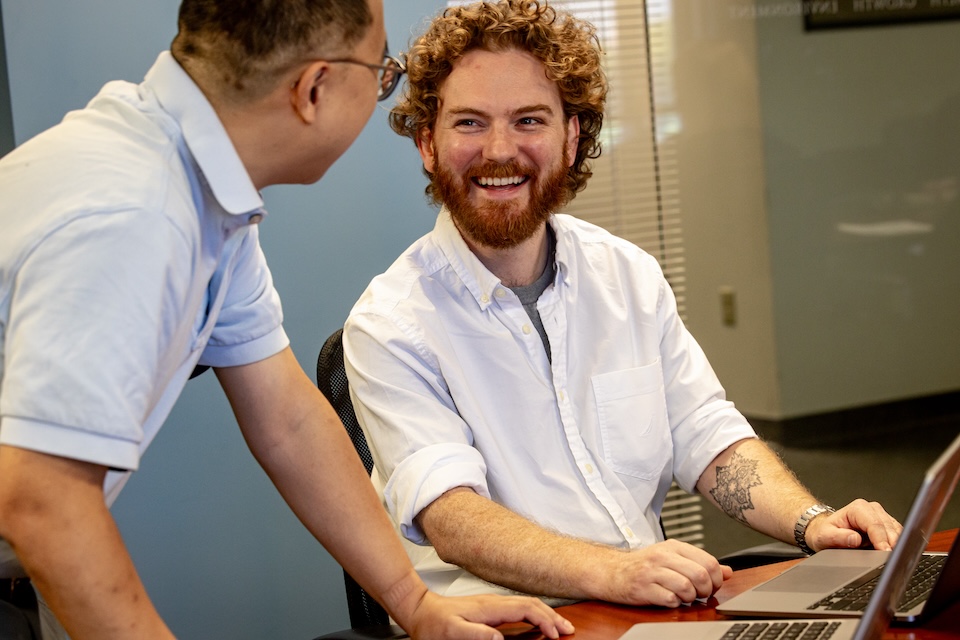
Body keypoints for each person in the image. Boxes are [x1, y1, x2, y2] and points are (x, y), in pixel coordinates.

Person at [0, 1, 577, 639]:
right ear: (314, 89)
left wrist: (414, 604)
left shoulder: (201, 190)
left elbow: (289, 419)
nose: (385, 85)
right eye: (382, 71)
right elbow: (44, 500)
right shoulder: (137, 211)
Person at [342, 0, 904, 607]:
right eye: (470, 123)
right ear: (427, 142)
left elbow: (705, 436)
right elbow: (451, 517)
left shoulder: (627, 276)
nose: (500, 150)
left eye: (530, 120)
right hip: (505, 623)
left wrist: (811, 522)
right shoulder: (390, 324)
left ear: (571, 137)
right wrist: (613, 573)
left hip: (645, 607)